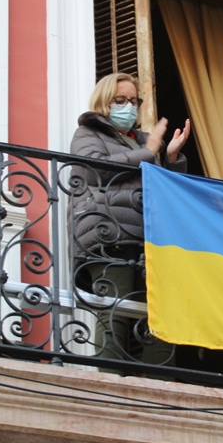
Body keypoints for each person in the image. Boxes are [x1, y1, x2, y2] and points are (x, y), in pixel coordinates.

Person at [70, 73, 191, 366]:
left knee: (162, 316)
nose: (129, 107)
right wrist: (148, 153)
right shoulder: (88, 133)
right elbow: (95, 169)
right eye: (120, 100)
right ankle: (109, 385)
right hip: (108, 234)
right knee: (116, 311)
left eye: (133, 101)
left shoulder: (140, 140)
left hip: (149, 238)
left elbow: (166, 190)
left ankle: (161, 386)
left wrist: (172, 158)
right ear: (104, 102)